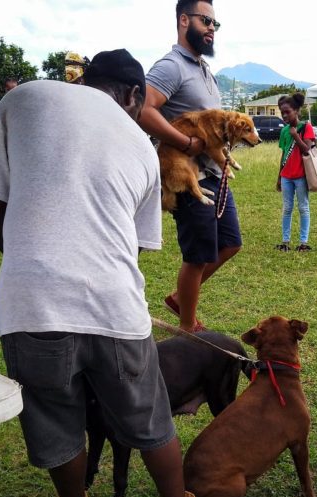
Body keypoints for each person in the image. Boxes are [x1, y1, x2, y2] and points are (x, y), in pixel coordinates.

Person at [0, 49, 202, 497]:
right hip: (116, 308)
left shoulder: (21, 98)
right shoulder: (143, 146)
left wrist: (33, 263)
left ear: (87, 81)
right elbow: (134, 245)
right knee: (150, 418)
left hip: (30, 305)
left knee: (56, 417)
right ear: (135, 97)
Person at [139, 0, 241, 334]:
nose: (211, 28)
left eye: (215, 24)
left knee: (230, 243)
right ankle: (187, 329)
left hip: (214, 174)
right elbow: (144, 110)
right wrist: (184, 144)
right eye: (205, 21)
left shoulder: (204, 71)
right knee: (197, 256)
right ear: (184, 20)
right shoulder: (171, 66)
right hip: (188, 177)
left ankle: (181, 299)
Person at [275, 93, 316, 253]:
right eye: (282, 112)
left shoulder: (306, 127)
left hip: (301, 176)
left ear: (297, 111)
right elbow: (283, 154)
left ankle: (303, 242)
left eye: (287, 112)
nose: (284, 115)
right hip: (286, 176)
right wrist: (279, 177)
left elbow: (307, 149)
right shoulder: (284, 131)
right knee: (287, 208)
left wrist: (295, 136)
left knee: (303, 208)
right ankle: (285, 241)